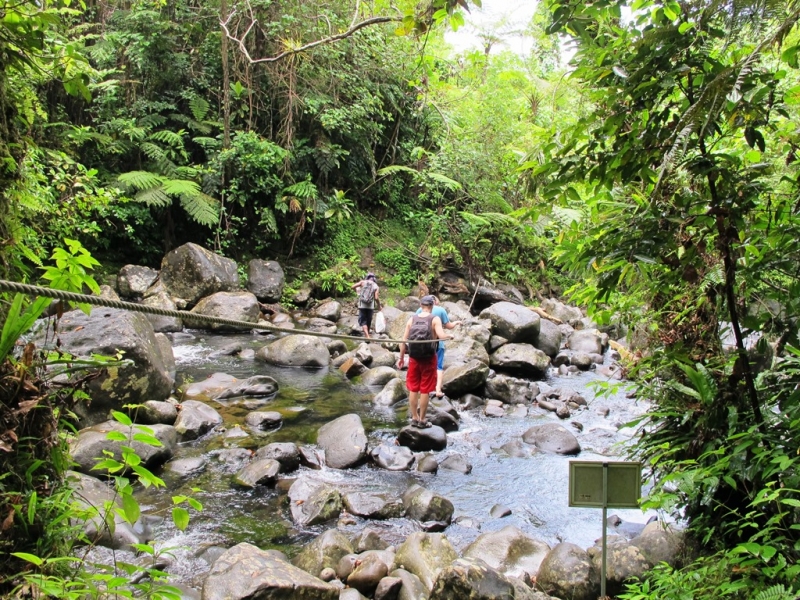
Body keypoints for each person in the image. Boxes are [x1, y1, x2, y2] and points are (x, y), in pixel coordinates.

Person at [397, 295, 452, 428]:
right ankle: (422, 420)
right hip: (428, 359)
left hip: (414, 359)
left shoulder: (412, 319)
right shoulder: (435, 319)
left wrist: (401, 358)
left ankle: (414, 417)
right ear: (432, 307)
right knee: (425, 390)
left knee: (413, 388)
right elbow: (441, 335)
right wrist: (450, 335)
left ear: (421, 307)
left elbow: (403, 342)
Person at [416, 295, 463, 398]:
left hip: (422, 344)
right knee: (439, 367)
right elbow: (449, 326)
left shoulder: (420, 309)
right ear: (434, 303)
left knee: (423, 365)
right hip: (438, 343)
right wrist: (456, 323)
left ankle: (421, 388)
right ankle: (437, 389)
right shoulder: (441, 310)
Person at [351, 273, 380, 338]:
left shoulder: (362, 282)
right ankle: (367, 336)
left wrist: (357, 291)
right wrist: (379, 305)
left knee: (363, 320)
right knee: (368, 320)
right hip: (370, 306)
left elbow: (352, 286)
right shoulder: (376, 286)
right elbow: (376, 298)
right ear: (374, 279)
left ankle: (367, 335)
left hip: (362, 305)